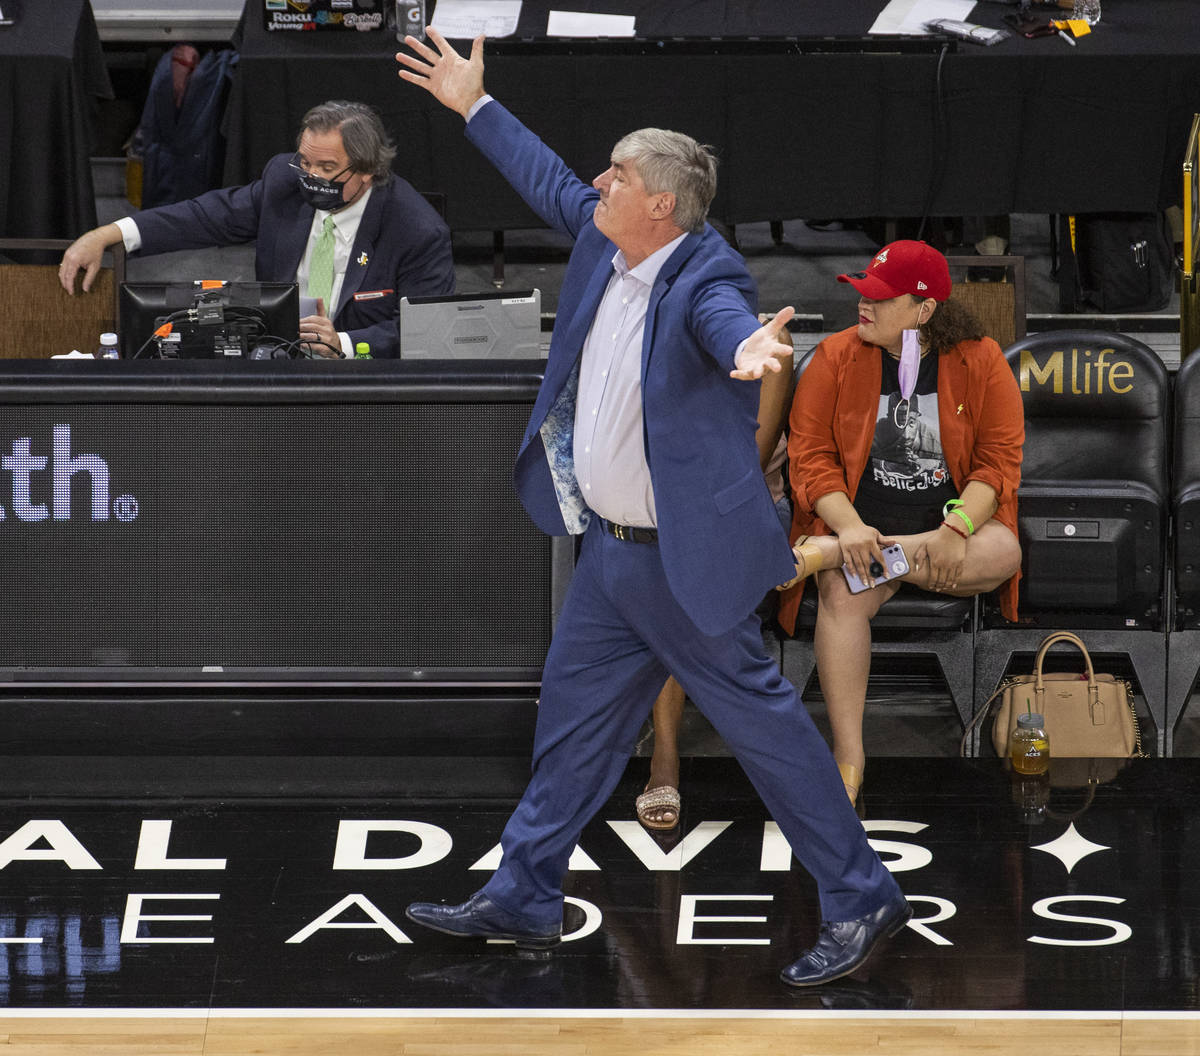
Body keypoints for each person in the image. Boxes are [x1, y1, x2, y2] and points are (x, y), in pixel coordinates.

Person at [395, 29, 910, 988]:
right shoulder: (606, 234)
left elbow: (725, 325)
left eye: (617, 174)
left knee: (766, 733)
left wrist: (749, 357)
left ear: (659, 203)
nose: (598, 182)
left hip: (684, 562)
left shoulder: (708, 276)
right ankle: (525, 890)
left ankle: (862, 894)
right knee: (574, 723)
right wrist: (473, 104)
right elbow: (549, 177)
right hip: (612, 557)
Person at [777, 240, 1024, 804]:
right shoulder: (835, 358)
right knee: (841, 593)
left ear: (924, 309)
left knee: (1003, 552)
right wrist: (850, 529)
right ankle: (849, 757)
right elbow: (809, 460)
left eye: (881, 299)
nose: (863, 304)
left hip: (944, 529)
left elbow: (999, 464)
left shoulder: (980, 360)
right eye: (863, 291)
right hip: (859, 525)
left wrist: (954, 529)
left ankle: (842, 554)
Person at [58, 99, 454, 359]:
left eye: (328, 169)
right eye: (306, 163)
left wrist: (347, 344)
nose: (311, 177)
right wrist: (112, 233)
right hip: (274, 358)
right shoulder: (285, 182)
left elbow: (427, 330)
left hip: (363, 382)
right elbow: (207, 216)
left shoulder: (417, 231)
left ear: (367, 172)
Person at [637, 354, 793, 831]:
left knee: (685, 577)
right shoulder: (652, 339)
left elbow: (748, 464)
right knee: (667, 570)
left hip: (749, 508)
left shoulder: (766, 343)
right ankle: (664, 748)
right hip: (662, 515)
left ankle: (665, 754)